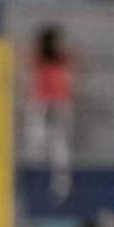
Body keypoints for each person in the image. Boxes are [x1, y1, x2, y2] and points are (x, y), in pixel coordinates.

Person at [25, 24, 77, 200]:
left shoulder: (64, 58)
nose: (59, 44)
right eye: (56, 41)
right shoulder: (38, 58)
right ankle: (34, 166)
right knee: (37, 133)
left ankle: (61, 184)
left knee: (59, 145)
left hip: (59, 102)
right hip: (42, 101)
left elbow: (70, 79)